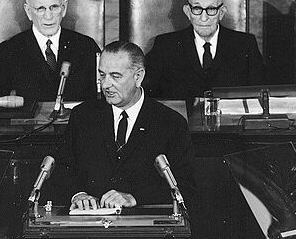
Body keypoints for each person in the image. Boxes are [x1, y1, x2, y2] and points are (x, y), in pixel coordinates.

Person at [59, 41, 195, 210]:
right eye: (102, 75)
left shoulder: (171, 123)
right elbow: (63, 168)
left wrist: (135, 197)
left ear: (138, 77)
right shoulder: (83, 116)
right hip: (91, 221)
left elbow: (185, 186)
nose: (106, 84)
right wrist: (78, 194)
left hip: (143, 223)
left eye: (115, 76)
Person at [0, 0, 100, 102]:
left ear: (64, 8)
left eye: (54, 7)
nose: (48, 16)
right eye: (41, 9)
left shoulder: (86, 46)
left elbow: (102, 99)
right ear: (28, 11)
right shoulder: (9, 51)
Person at [144, 0, 265, 99]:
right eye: (197, 9)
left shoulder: (245, 44)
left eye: (211, 9)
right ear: (188, 12)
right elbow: (148, 94)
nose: (204, 18)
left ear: (221, 12)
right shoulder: (165, 46)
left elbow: (260, 92)